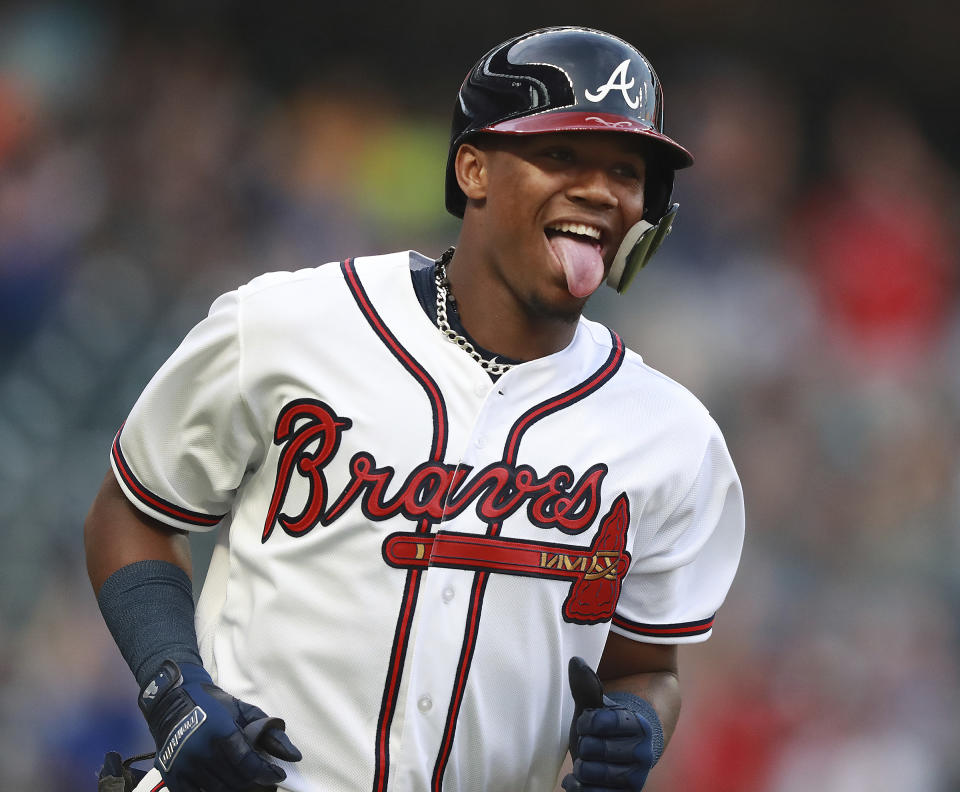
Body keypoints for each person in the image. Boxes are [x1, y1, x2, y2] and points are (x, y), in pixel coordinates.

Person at [86, 26, 744, 792]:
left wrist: (640, 727)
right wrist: (171, 686)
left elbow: (647, 668)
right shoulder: (287, 324)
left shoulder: (672, 437)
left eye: (626, 172)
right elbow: (134, 508)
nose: (599, 190)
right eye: (560, 156)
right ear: (473, 168)